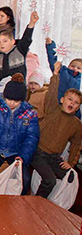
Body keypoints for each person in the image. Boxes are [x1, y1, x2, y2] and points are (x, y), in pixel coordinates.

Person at [0, 73, 40, 195]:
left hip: (16, 151)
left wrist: (23, 156)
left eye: (16, 101)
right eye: (9, 99)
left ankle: (20, 203)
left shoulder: (30, 113)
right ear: (4, 96)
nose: (12, 103)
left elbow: (32, 138)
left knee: (25, 179)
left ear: (22, 99)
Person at [31, 62, 82, 199]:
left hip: (54, 157)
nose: (72, 103)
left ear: (78, 108)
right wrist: (55, 75)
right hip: (38, 152)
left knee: (71, 177)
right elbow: (51, 93)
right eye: (70, 100)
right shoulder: (53, 109)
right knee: (50, 180)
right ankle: (36, 202)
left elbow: (77, 144)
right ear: (62, 100)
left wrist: (70, 162)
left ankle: (56, 203)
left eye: (76, 103)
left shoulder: (76, 124)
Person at [0, 11, 38, 84]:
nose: (1, 44)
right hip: (1, 91)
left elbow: (26, 39)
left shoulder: (19, 51)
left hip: (18, 90)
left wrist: (31, 23)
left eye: (5, 41)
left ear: (12, 42)